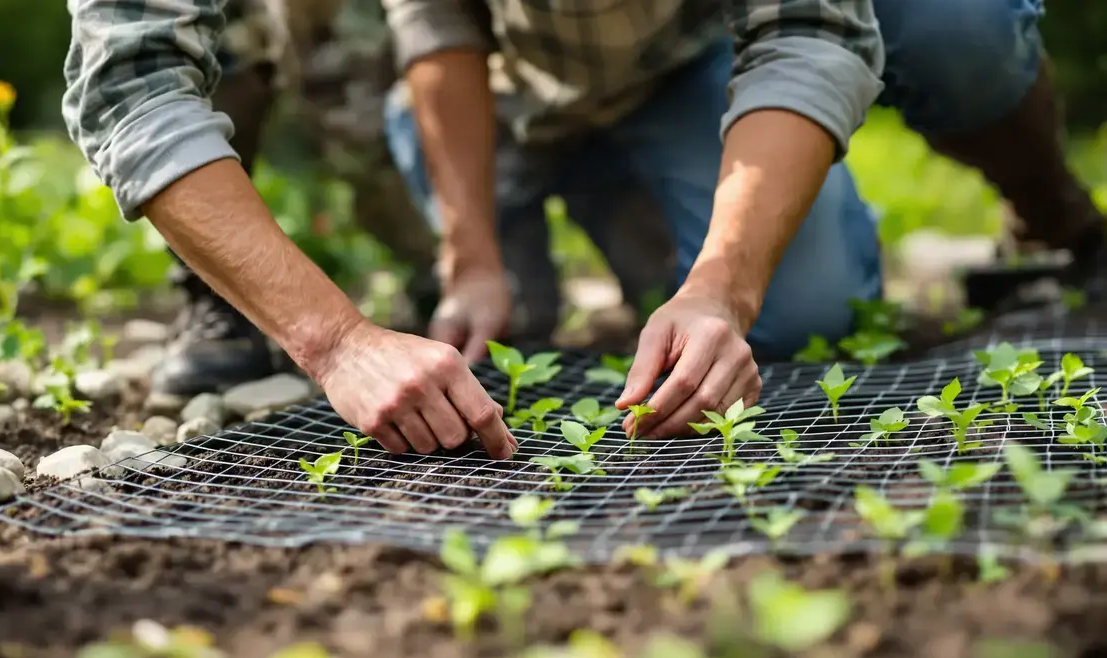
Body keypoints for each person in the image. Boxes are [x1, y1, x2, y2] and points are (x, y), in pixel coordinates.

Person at [62, 0, 1102, 458]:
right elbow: (132, 81)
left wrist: (721, 286)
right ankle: (576, 199)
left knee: (804, 313)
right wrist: (347, 333)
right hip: (509, 95)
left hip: (679, 60)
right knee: (509, 311)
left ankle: (1052, 219)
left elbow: (808, 27)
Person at [156, 0, 673, 398]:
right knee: (515, 321)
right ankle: (218, 295)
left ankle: (452, 262)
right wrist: (339, 344)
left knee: (696, 305)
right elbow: (145, 98)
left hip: (635, 79)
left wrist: (712, 288)